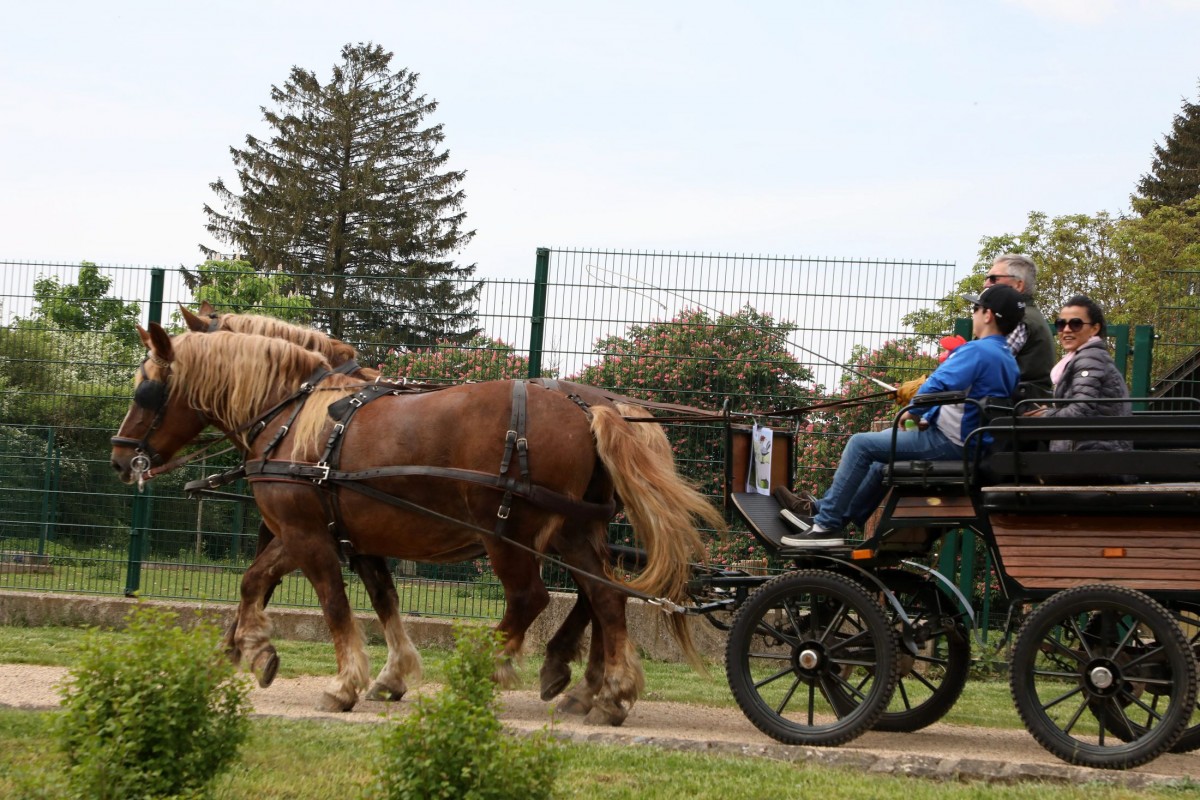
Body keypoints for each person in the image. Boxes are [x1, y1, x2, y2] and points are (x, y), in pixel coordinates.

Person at [780, 284, 1023, 548]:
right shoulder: (1007, 358)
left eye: (975, 308)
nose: (974, 313)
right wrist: (924, 416)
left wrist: (910, 416)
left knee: (860, 444)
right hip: (969, 444)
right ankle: (827, 513)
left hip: (950, 443)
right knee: (880, 456)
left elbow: (935, 387)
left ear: (988, 315)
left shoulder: (977, 351)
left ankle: (825, 526)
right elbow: (960, 399)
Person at [1026, 294, 1132, 453]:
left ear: (1095, 329)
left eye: (1076, 324)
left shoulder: (1090, 359)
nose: (1066, 330)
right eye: (1061, 324)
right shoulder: (1084, 358)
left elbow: (1081, 411)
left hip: (1090, 457)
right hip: (1091, 452)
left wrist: (1044, 415)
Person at [985, 253, 1055, 399]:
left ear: (1018, 284)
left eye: (993, 279)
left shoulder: (1018, 319)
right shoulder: (1025, 315)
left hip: (1015, 411)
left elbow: (984, 366)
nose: (985, 284)